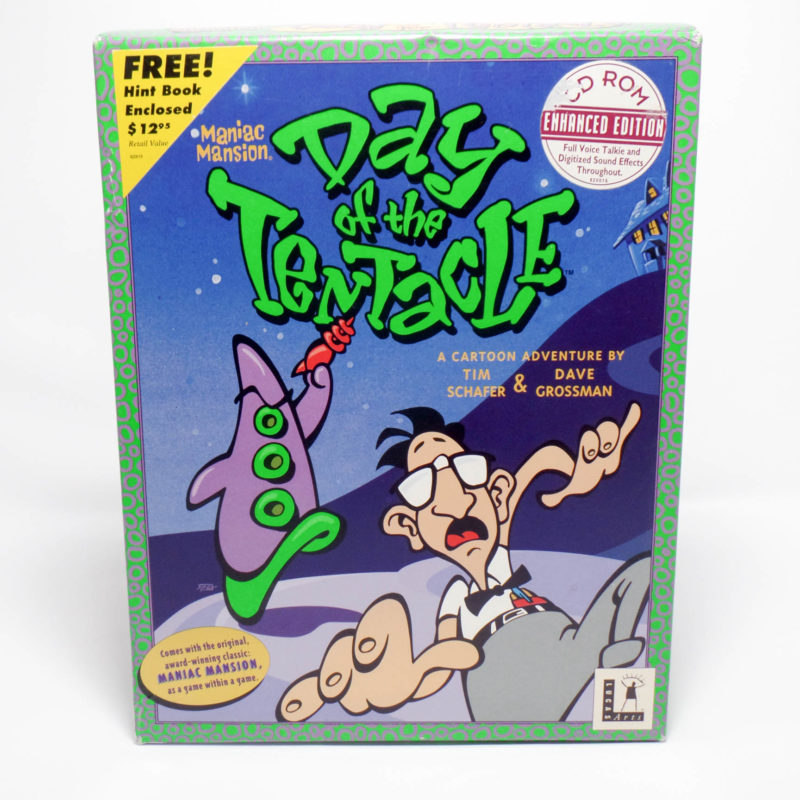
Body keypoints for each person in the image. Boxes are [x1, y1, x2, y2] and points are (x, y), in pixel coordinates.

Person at [277, 403, 650, 722]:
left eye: (466, 472)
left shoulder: (498, 523)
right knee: (596, 635)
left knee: (640, 572)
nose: (453, 502)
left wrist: (580, 472)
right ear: (409, 526)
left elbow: (539, 463)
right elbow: (444, 659)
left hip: (559, 641)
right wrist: (408, 677)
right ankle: (597, 657)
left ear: (497, 494)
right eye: (422, 488)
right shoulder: (457, 595)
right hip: (498, 668)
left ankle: (597, 660)